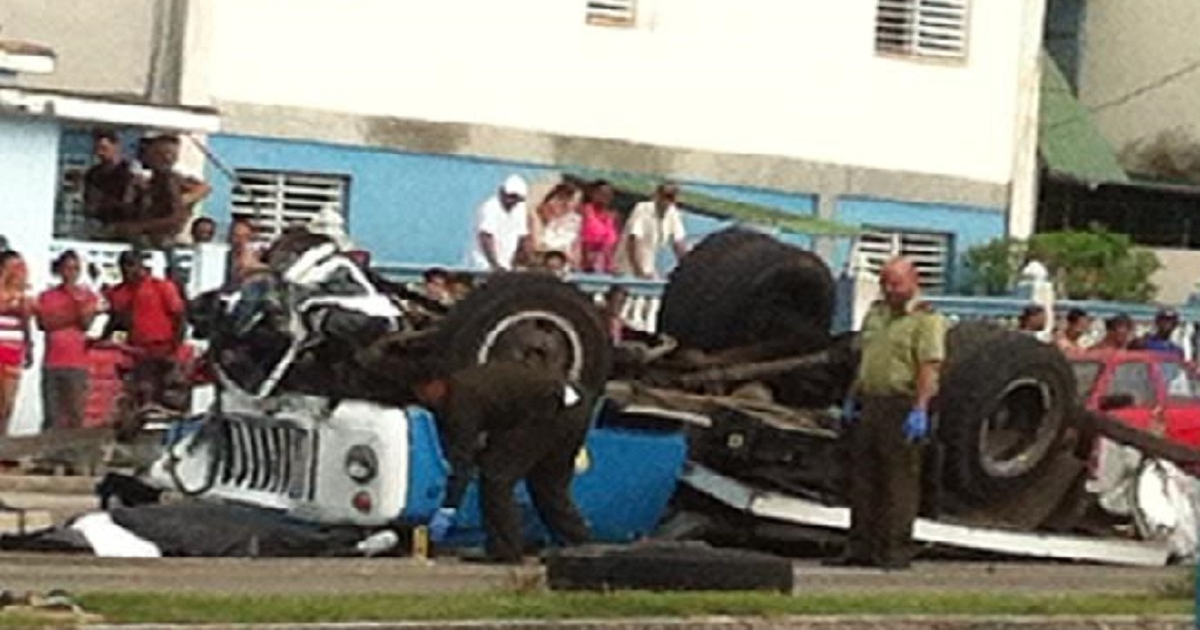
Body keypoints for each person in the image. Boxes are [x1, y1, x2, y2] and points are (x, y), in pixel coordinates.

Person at [826, 257, 945, 571]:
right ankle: (859, 547)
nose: (890, 290)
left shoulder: (925, 320)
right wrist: (852, 398)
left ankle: (894, 551)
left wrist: (920, 409)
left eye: (896, 283)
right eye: (885, 283)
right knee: (863, 478)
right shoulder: (876, 313)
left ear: (913, 280)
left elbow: (928, 368)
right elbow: (866, 361)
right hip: (870, 400)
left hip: (901, 403)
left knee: (898, 481)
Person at [414, 361, 592, 564]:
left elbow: (462, 460)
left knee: (496, 477)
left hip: (550, 408)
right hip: (576, 405)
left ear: (437, 384)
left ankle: (505, 551)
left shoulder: (462, 400)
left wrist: (449, 507)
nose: (423, 399)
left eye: (423, 391)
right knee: (548, 485)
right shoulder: (470, 384)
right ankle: (582, 548)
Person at [104, 251, 186, 431]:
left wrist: (175, 346)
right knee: (142, 390)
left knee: (169, 393)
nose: (130, 271)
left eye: (133, 265)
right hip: (139, 350)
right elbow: (116, 319)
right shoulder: (122, 292)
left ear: (141, 266)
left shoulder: (161, 287)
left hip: (165, 346)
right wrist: (104, 337)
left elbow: (179, 316)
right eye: (125, 267)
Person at [36, 251, 99, 431]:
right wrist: (72, 315)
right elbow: (45, 323)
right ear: (59, 270)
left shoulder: (87, 295)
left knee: (75, 413)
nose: (71, 273)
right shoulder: (47, 295)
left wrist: (73, 308)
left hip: (77, 362)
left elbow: (85, 323)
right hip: (52, 362)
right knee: (51, 415)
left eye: (76, 269)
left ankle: (73, 455)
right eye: (68, 268)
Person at [615, 182, 688, 279]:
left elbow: (678, 244)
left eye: (671, 197)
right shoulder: (642, 209)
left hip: (648, 268)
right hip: (627, 267)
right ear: (657, 195)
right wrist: (638, 271)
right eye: (665, 196)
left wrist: (687, 266)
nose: (667, 201)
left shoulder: (672, 213)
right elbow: (632, 242)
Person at [0, 251, 34, 434]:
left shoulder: (23, 294)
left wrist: (29, 347)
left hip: (13, 350)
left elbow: (26, 320)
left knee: (7, 403)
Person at [83, 128, 139, 234]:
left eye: (104, 148)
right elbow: (89, 202)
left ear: (116, 146)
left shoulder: (130, 172)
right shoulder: (93, 173)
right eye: (96, 149)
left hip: (123, 225)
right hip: (98, 224)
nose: (99, 153)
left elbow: (130, 202)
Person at [468, 175, 529, 272]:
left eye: (515, 198)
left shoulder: (520, 209)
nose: (511, 200)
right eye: (509, 196)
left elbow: (523, 237)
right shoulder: (490, 207)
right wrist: (494, 265)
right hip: (484, 264)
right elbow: (485, 238)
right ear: (501, 192)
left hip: (507, 264)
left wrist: (521, 260)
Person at [524, 183, 582, 270]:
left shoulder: (575, 220)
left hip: (564, 269)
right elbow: (536, 246)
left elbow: (576, 248)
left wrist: (574, 261)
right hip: (542, 267)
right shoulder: (536, 216)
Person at [579, 180, 620, 275]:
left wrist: (612, 264)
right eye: (601, 193)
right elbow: (580, 238)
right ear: (592, 194)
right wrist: (585, 261)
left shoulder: (613, 216)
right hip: (584, 263)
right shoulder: (584, 211)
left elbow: (614, 243)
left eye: (609, 194)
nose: (605, 197)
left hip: (605, 265)